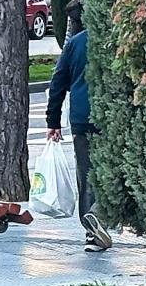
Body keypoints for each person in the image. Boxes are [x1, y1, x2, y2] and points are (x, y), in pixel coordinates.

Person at [46, 25, 113, 253]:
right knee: (115, 170)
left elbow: (58, 82)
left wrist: (53, 121)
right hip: (111, 116)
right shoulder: (115, 37)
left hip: (81, 117)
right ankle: (98, 213)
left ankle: (91, 234)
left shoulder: (75, 43)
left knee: (86, 175)